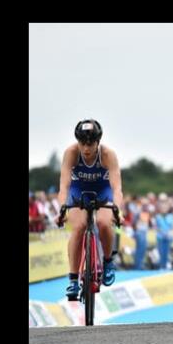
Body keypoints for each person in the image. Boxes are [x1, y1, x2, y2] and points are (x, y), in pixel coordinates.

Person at [55, 119, 124, 300]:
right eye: (82, 143)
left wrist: (118, 211)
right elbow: (64, 186)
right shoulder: (71, 153)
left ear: (98, 142)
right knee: (78, 227)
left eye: (90, 143)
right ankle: (72, 280)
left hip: (103, 192)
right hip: (78, 191)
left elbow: (117, 188)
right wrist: (61, 210)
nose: (86, 148)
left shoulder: (108, 155)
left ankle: (108, 261)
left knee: (103, 222)